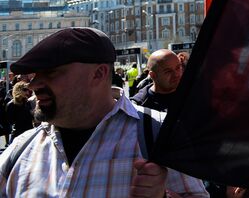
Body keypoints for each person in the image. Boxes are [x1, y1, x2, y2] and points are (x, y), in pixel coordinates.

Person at [0, 27, 209, 198]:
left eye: (51, 73)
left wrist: (163, 196)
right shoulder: (21, 148)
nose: (34, 84)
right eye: (35, 75)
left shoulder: (158, 132)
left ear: (98, 74)